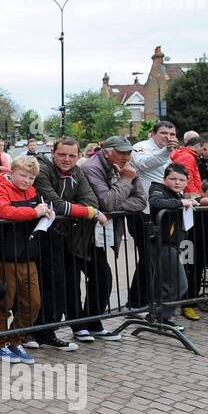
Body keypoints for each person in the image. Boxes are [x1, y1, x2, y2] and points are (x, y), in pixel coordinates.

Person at [31, 137, 106, 348]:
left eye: (72, 155)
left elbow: (91, 199)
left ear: (78, 156)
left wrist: (80, 208)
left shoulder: (77, 172)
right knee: (44, 285)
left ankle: (47, 331)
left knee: (61, 283)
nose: (67, 159)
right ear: (53, 153)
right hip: (37, 235)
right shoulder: (42, 168)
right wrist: (89, 212)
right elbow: (53, 203)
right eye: (62, 154)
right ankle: (34, 332)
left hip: (63, 235)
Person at [79, 136, 147, 340]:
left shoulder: (127, 165)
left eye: (128, 152)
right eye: (122, 152)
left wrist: (115, 203)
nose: (127, 156)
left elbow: (141, 201)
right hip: (82, 233)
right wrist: (126, 180)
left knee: (101, 277)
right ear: (108, 151)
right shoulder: (92, 167)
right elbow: (107, 203)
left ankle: (89, 323)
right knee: (99, 277)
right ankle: (86, 324)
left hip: (102, 233)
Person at [0, 157, 52, 363]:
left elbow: (37, 209)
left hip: (27, 256)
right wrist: (34, 212)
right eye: (23, 175)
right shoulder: (0, 188)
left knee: (33, 303)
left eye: (31, 178)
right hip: (5, 256)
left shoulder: (33, 192)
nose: (26, 181)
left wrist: (45, 213)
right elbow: (3, 211)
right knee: (3, 303)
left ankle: (15, 340)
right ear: (12, 171)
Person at [128, 120, 178, 305]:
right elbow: (144, 164)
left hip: (162, 211)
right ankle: (138, 301)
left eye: (172, 134)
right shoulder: (140, 147)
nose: (169, 137)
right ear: (153, 133)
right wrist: (166, 151)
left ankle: (148, 298)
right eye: (164, 133)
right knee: (148, 257)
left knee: (156, 257)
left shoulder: (169, 154)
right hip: (144, 212)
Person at [146, 163, 196, 326]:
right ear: (164, 179)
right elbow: (157, 202)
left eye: (182, 180)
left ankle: (156, 316)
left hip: (177, 244)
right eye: (173, 179)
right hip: (163, 244)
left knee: (165, 283)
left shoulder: (178, 195)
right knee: (178, 284)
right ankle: (162, 317)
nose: (177, 182)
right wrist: (182, 203)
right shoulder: (158, 189)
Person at [170, 131, 205, 196]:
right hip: (191, 195)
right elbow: (187, 179)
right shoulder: (188, 157)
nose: (203, 152)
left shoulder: (186, 155)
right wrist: (195, 195)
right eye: (203, 149)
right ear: (198, 146)